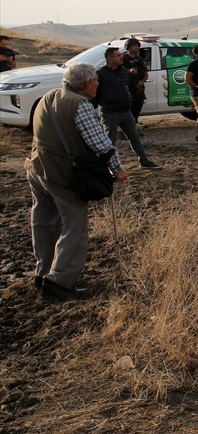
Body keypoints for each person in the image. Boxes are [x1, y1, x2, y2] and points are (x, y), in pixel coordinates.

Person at [27, 62, 129, 300]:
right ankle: (59, 283)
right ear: (86, 84)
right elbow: (99, 143)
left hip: (36, 168)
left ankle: (42, 275)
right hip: (59, 173)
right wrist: (118, 169)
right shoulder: (80, 104)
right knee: (74, 225)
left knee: (44, 221)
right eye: (96, 81)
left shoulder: (49, 96)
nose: (98, 85)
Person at [95, 47, 160, 169]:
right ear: (109, 58)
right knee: (110, 141)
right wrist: (103, 103)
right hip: (110, 113)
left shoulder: (124, 71)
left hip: (125, 111)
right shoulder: (100, 73)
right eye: (118, 55)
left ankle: (144, 161)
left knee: (134, 138)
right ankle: (106, 165)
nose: (121, 57)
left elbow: (128, 87)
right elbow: (95, 93)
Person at [122, 38, 149, 121]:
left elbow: (145, 73)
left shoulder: (139, 59)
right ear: (128, 47)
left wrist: (142, 82)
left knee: (137, 108)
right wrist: (128, 71)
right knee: (129, 109)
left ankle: (133, 128)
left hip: (138, 88)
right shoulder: (123, 59)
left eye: (137, 45)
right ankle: (127, 131)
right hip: (128, 88)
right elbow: (117, 71)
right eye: (134, 46)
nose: (136, 47)